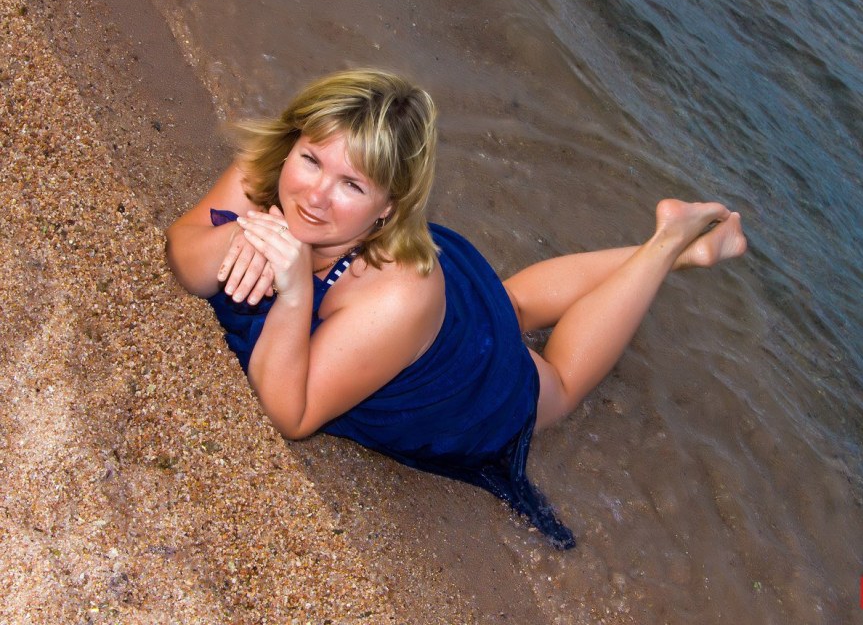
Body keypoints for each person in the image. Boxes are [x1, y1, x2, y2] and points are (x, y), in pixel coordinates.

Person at [165, 69, 747, 548]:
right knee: (511, 302)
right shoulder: (275, 172)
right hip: (427, 306)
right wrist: (248, 235)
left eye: (352, 185)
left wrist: (294, 289)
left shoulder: (393, 297)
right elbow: (184, 252)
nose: (315, 196)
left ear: (388, 209)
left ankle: (667, 243)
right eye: (313, 159)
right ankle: (690, 250)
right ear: (295, 140)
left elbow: (291, 415)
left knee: (556, 385)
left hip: (445, 354)